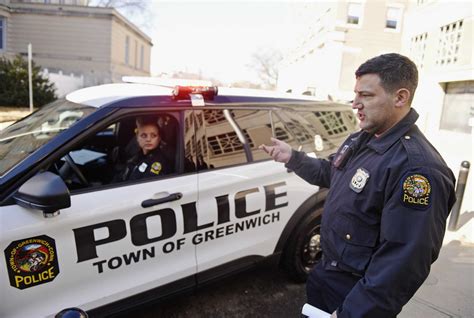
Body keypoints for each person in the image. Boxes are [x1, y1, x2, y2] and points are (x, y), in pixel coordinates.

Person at [259, 53, 456, 317]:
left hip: (355, 295)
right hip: (326, 275)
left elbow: (402, 264)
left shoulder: (417, 170)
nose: (355, 104)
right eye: (356, 95)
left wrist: (353, 313)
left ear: (400, 97)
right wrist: (293, 158)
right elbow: (332, 172)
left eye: (366, 95)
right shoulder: (363, 139)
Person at [120, 117, 172, 181]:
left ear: (159, 139)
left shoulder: (159, 162)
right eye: (144, 135)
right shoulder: (136, 156)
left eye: (153, 135)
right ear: (137, 138)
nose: (148, 139)